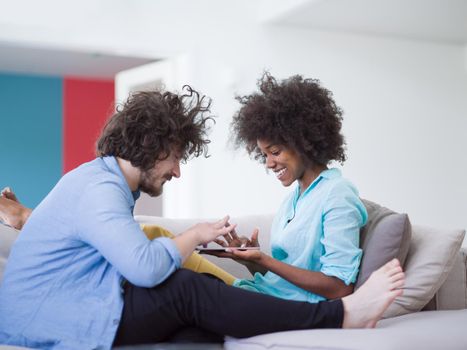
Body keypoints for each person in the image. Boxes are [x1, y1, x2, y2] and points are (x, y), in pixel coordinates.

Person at [0, 86, 404, 349]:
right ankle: (342, 317)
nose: (177, 171)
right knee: (185, 289)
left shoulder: (100, 182)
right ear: (152, 146)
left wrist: (257, 258)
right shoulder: (101, 189)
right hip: (49, 317)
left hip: (57, 308)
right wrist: (194, 234)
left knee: (200, 323)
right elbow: (144, 268)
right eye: (176, 157)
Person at [208, 72, 368, 303]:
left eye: (275, 152)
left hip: (297, 310)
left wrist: (264, 259)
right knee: (188, 282)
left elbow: (339, 287)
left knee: (188, 288)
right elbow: (282, 282)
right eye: (264, 155)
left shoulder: (337, 194)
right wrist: (252, 262)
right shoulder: (293, 199)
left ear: (304, 141)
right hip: (267, 296)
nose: (269, 163)